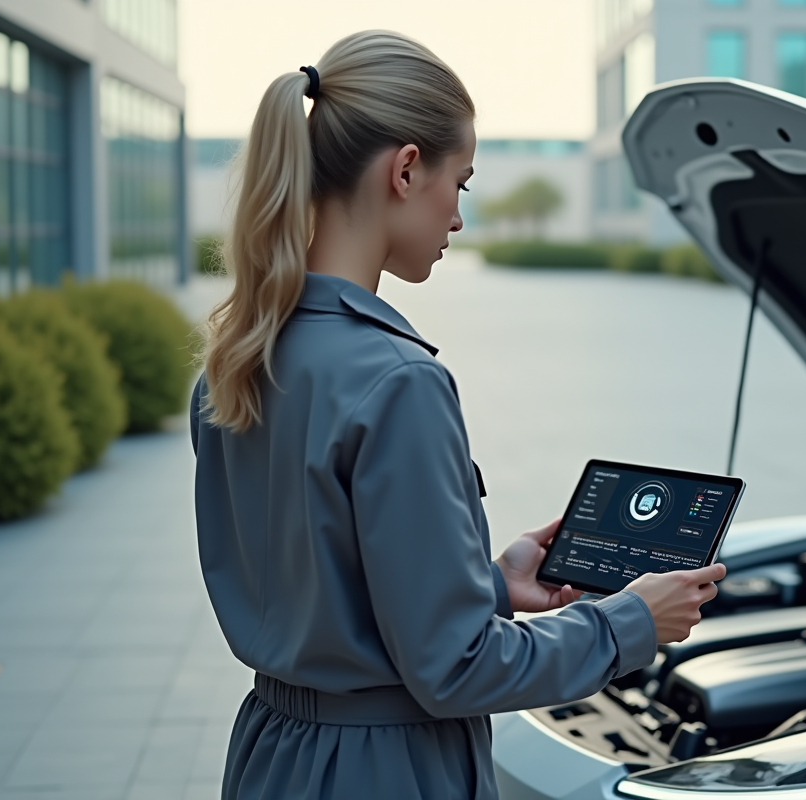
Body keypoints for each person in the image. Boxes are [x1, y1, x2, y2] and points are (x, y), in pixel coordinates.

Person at [190, 30, 726, 800]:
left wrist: (488, 582)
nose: (459, 220)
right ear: (407, 169)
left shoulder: (233, 361)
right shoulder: (397, 382)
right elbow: (456, 668)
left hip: (273, 755)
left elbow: (327, 588)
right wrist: (632, 621)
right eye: (461, 185)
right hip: (386, 773)